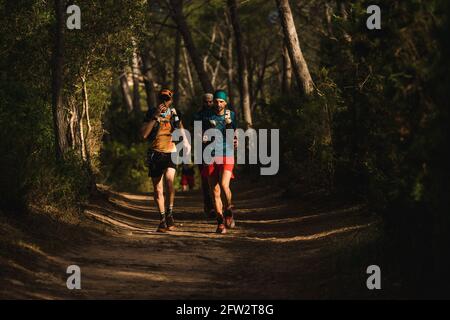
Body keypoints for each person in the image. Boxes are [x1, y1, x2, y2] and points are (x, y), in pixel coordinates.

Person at [140, 89, 189, 233]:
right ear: (158, 99)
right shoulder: (151, 113)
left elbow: (181, 129)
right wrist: (155, 117)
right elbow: (143, 135)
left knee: (169, 181)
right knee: (158, 189)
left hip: (171, 152)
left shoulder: (175, 113)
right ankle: (162, 219)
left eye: (167, 99)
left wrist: (185, 142)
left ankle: (170, 213)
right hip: (155, 153)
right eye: (162, 99)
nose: (164, 102)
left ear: (171, 100)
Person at [201, 90, 237, 234]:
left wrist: (235, 140)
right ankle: (220, 222)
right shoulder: (206, 116)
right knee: (214, 191)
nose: (218, 104)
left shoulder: (231, 115)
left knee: (223, 185)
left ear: (225, 103)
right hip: (210, 154)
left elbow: (234, 133)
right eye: (216, 101)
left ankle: (229, 208)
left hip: (226, 153)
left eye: (221, 101)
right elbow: (201, 135)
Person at [193, 93, 216, 219]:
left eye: (210, 102)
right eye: (206, 102)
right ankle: (209, 207)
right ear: (202, 102)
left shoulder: (217, 113)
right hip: (202, 151)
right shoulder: (198, 115)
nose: (208, 104)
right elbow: (198, 133)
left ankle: (218, 206)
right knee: (206, 180)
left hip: (217, 150)